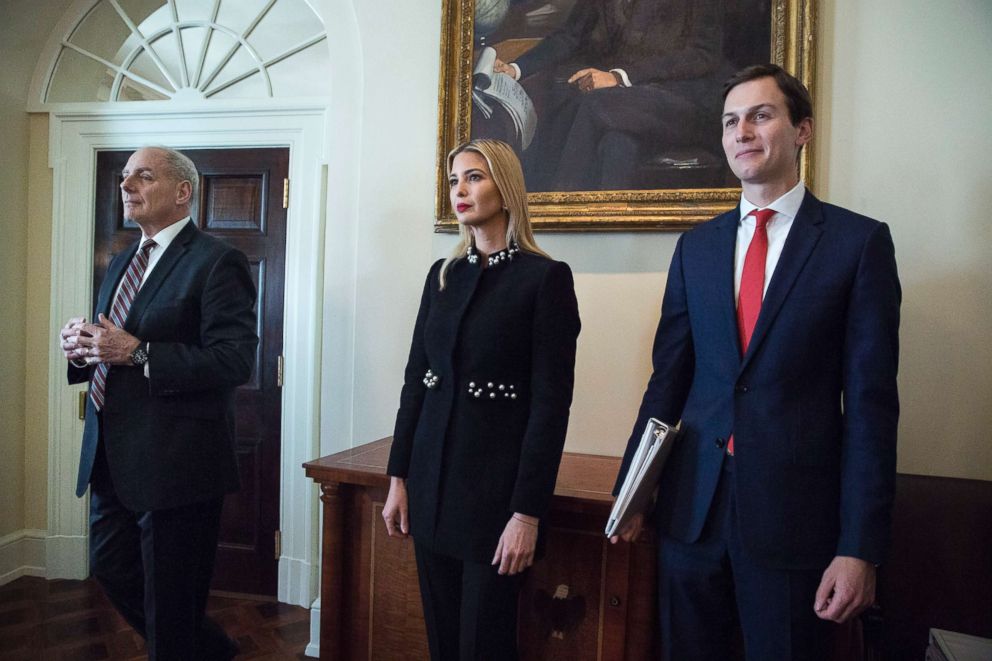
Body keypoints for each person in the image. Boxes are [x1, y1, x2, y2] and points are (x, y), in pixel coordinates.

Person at [610, 64, 901, 660]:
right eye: (730, 121)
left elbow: (872, 408)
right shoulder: (697, 246)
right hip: (691, 514)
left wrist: (859, 548)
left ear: (802, 131)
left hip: (796, 527)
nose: (742, 131)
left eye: (760, 115)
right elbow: (669, 381)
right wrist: (632, 495)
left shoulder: (857, 244)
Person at [381, 139, 581, 660]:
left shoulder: (545, 279)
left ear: (506, 186)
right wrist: (399, 478)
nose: (460, 191)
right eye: (453, 181)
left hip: (495, 501)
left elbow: (550, 407)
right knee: (444, 644)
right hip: (431, 488)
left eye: (474, 177)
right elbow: (415, 381)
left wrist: (527, 514)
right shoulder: (443, 276)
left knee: (483, 647)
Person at [58, 146, 257, 659]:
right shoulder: (123, 258)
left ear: (182, 191)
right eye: (125, 177)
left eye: (143, 177)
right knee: (110, 567)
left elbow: (234, 361)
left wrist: (141, 352)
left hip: (179, 462)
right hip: (110, 457)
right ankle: (211, 649)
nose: (127, 186)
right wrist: (82, 348)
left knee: (172, 599)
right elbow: (113, 342)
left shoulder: (218, 261)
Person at [493, 0, 727, 191]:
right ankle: (585, 228)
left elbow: (702, 55)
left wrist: (619, 77)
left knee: (592, 103)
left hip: (685, 102)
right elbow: (569, 36)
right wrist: (516, 68)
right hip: (621, 106)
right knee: (618, 144)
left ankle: (557, 204)